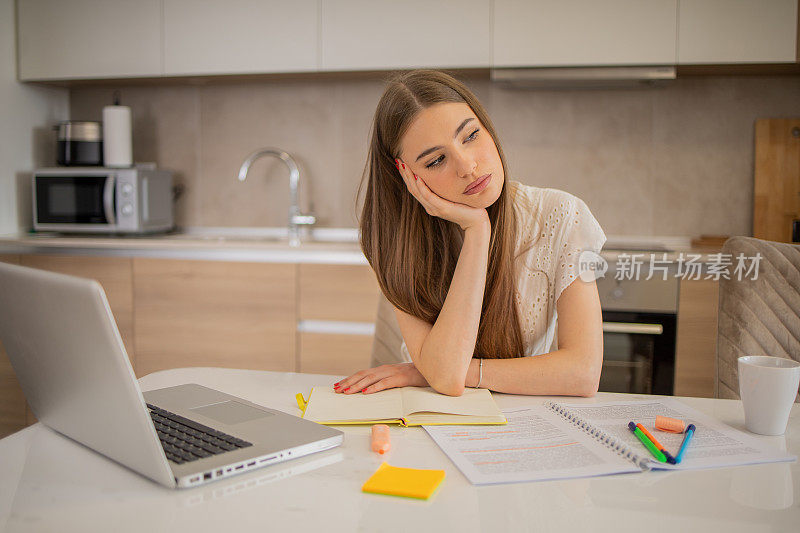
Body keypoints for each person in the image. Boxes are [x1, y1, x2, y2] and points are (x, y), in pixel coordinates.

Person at [334, 70, 606, 397]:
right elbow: (446, 380)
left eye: (471, 135)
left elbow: (583, 374)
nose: (467, 166)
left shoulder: (561, 215)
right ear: (406, 177)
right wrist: (477, 230)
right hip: (427, 416)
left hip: (526, 420)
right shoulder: (395, 242)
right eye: (436, 160)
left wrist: (439, 370)